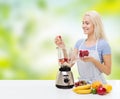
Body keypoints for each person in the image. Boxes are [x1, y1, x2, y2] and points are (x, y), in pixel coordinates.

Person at [54, 10, 111, 84]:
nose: (83, 26)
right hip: (82, 85)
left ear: (95, 24)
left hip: (98, 86)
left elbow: (108, 71)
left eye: (87, 23)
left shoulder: (103, 44)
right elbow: (69, 64)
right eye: (83, 23)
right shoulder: (79, 43)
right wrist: (63, 48)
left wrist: (93, 60)